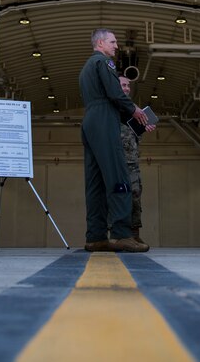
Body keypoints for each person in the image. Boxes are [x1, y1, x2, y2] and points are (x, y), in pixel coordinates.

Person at [80, 29, 148, 253]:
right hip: (105, 120)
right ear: (100, 43)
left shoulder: (86, 68)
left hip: (90, 121)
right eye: (113, 42)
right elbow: (114, 92)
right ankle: (120, 234)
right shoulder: (104, 63)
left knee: (95, 182)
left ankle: (96, 236)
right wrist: (134, 109)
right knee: (119, 176)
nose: (116, 46)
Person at [118, 75, 155, 245]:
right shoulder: (110, 108)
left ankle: (134, 233)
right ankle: (117, 234)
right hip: (115, 161)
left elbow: (134, 137)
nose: (126, 88)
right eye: (122, 85)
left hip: (132, 161)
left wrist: (144, 128)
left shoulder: (135, 110)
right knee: (116, 197)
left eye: (127, 85)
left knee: (135, 195)